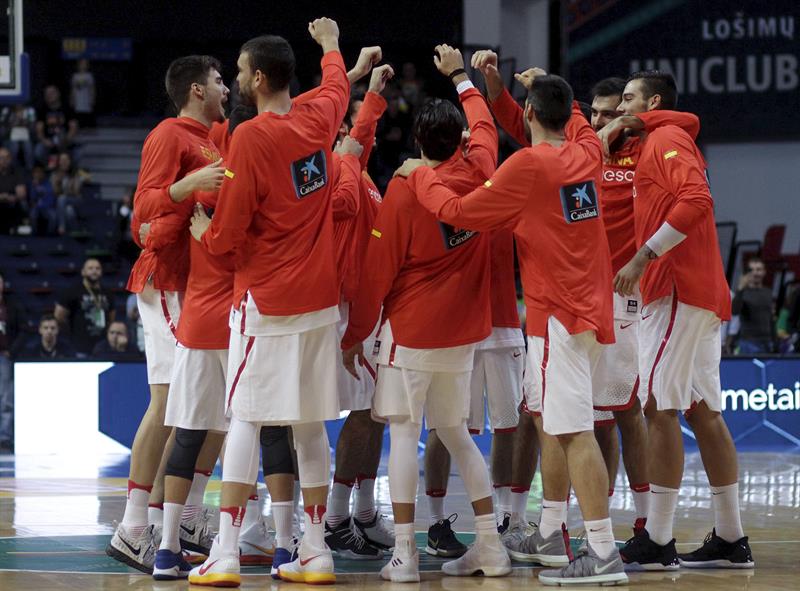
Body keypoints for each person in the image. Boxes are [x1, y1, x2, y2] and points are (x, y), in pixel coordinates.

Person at [398, 69, 628, 586]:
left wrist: (418, 174)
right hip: (592, 309)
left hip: (560, 315)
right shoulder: (588, 151)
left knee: (573, 431)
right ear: (570, 113)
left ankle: (602, 551)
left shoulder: (527, 165)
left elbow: (458, 211)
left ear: (527, 114)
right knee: (551, 420)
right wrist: (542, 86)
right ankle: (550, 533)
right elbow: (574, 121)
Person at [187, 19, 351, 586]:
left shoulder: (252, 138)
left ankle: (227, 550)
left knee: (246, 421)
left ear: (258, 79)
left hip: (268, 303)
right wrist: (331, 43)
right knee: (309, 427)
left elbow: (229, 235)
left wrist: (203, 232)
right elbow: (338, 87)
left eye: (237, 71)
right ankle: (315, 551)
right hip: (321, 304)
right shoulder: (318, 119)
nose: (233, 79)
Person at [342, 44, 511, 583]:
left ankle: (406, 556)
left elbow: (377, 274)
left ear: (417, 144)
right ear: (459, 141)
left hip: (411, 334)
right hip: (462, 336)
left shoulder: (405, 189)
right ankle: (491, 547)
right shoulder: (484, 169)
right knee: (458, 435)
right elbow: (485, 126)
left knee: (402, 437)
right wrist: (463, 76)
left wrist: (355, 336)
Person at [606, 69, 754, 570]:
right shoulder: (660, 139)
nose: (623, 105)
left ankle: (659, 539)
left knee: (658, 407)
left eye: (629, 98)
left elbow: (696, 200)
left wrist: (643, 255)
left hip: (677, 288)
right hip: (698, 291)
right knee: (702, 411)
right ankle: (732, 538)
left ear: (655, 100)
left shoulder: (666, 137)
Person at [107, 54, 228, 575]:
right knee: (168, 402)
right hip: (168, 283)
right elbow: (143, 210)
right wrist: (186, 187)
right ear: (197, 90)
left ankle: (180, 515)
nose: (227, 86)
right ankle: (134, 526)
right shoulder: (168, 135)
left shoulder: (219, 136)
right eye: (220, 80)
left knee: (215, 407)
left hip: (202, 282)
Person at [325, 59, 396, 560]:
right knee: (363, 413)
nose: (354, 134)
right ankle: (333, 517)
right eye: (343, 128)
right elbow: (344, 207)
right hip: (346, 307)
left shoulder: (358, 166)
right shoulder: (332, 170)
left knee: (377, 411)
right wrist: (347, 153)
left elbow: (364, 133)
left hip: (368, 306)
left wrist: (372, 91)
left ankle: (365, 511)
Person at [54, 258, 115, 355]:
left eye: (97, 268)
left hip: (102, 346)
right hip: (80, 346)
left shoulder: (108, 293)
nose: (94, 271)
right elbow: (59, 316)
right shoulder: (72, 291)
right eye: (90, 268)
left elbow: (111, 319)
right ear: (83, 272)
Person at [727, 257, 774, 355]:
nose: (755, 273)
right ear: (747, 273)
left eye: (758, 269)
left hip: (767, 342)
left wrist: (775, 340)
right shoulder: (742, 293)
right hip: (748, 342)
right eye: (752, 270)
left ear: (764, 272)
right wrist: (740, 288)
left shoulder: (768, 292)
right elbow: (734, 311)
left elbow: (771, 318)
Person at [0, 271, 25, 451]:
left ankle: (4, 438)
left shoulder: (12, 305)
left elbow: (23, 330)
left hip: (4, 357)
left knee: (6, 399)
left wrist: (12, 351)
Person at [35, 85, 78, 166]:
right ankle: (50, 169)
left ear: (58, 94)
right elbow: (39, 129)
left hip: (65, 139)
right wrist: (44, 141)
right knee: (39, 151)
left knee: (77, 154)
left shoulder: (67, 108)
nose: (49, 95)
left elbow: (73, 127)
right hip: (48, 140)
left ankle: (68, 171)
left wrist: (68, 139)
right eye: (47, 94)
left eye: (52, 93)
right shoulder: (42, 110)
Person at [52, 152, 85, 235]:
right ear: (59, 162)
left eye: (66, 160)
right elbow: (55, 192)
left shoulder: (76, 173)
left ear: (70, 161)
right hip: (62, 203)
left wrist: (65, 192)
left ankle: (61, 226)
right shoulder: (55, 174)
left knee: (62, 199)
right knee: (69, 211)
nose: (64, 162)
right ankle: (73, 232)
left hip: (76, 201)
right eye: (62, 160)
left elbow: (76, 191)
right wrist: (58, 182)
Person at [0, 146, 27, 235]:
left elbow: (21, 193)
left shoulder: (17, 172)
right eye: (1, 158)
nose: (4, 160)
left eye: (7, 157)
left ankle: (16, 234)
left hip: (13, 204)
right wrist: (3, 197)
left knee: (21, 204)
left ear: (11, 159)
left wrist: (11, 197)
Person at [70, 59, 96, 128]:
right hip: (78, 99)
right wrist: (72, 99)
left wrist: (92, 98)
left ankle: (87, 127)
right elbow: (73, 89)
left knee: (86, 113)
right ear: (78, 65)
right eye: (82, 64)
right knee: (78, 114)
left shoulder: (89, 76)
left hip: (86, 98)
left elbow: (92, 88)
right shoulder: (75, 76)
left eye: (85, 64)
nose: (83, 66)